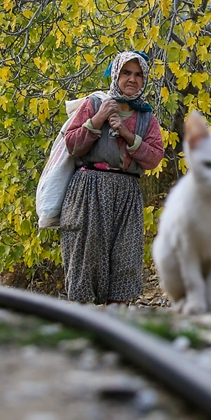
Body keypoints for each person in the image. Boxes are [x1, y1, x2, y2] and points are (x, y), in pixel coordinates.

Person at [59, 51, 165, 304]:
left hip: (127, 193)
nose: (132, 79)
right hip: (89, 189)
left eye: (139, 75)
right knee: (86, 255)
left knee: (125, 257)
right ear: (116, 75)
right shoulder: (94, 105)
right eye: (126, 73)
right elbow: (72, 145)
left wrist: (128, 134)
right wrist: (99, 119)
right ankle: (83, 322)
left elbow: (153, 158)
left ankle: (117, 321)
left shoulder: (146, 118)